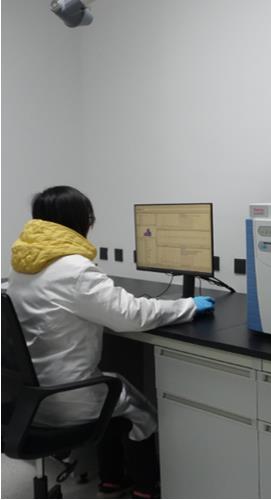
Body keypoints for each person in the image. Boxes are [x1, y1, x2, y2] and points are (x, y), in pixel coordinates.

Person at [7, 186, 215, 499]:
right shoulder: (75, 270)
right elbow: (131, 315)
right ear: (82, 222)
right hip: (66, 398)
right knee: (141, 411)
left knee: (111, 388)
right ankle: (145, 487)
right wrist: (188, 306)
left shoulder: (22, 265)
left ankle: (112, 480)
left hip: (26, 398)